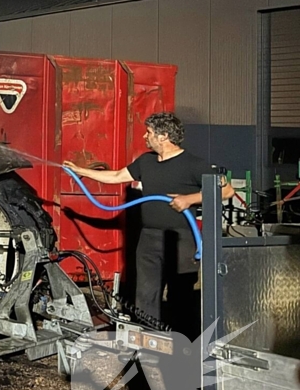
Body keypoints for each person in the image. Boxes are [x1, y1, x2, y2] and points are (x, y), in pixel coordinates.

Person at [63, 111, 233, 336]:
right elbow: (116, 177)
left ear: (163, 136)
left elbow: (227, 191)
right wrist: (80, 171)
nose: (145, 136)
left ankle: (184, 342)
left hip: (181, 239)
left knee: (180, 295)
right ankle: (149, 339)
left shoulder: (194, 164)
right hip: (149, 237)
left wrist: (189, 199)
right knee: (145, 294)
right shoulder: (146, 161)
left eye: (149, 132)